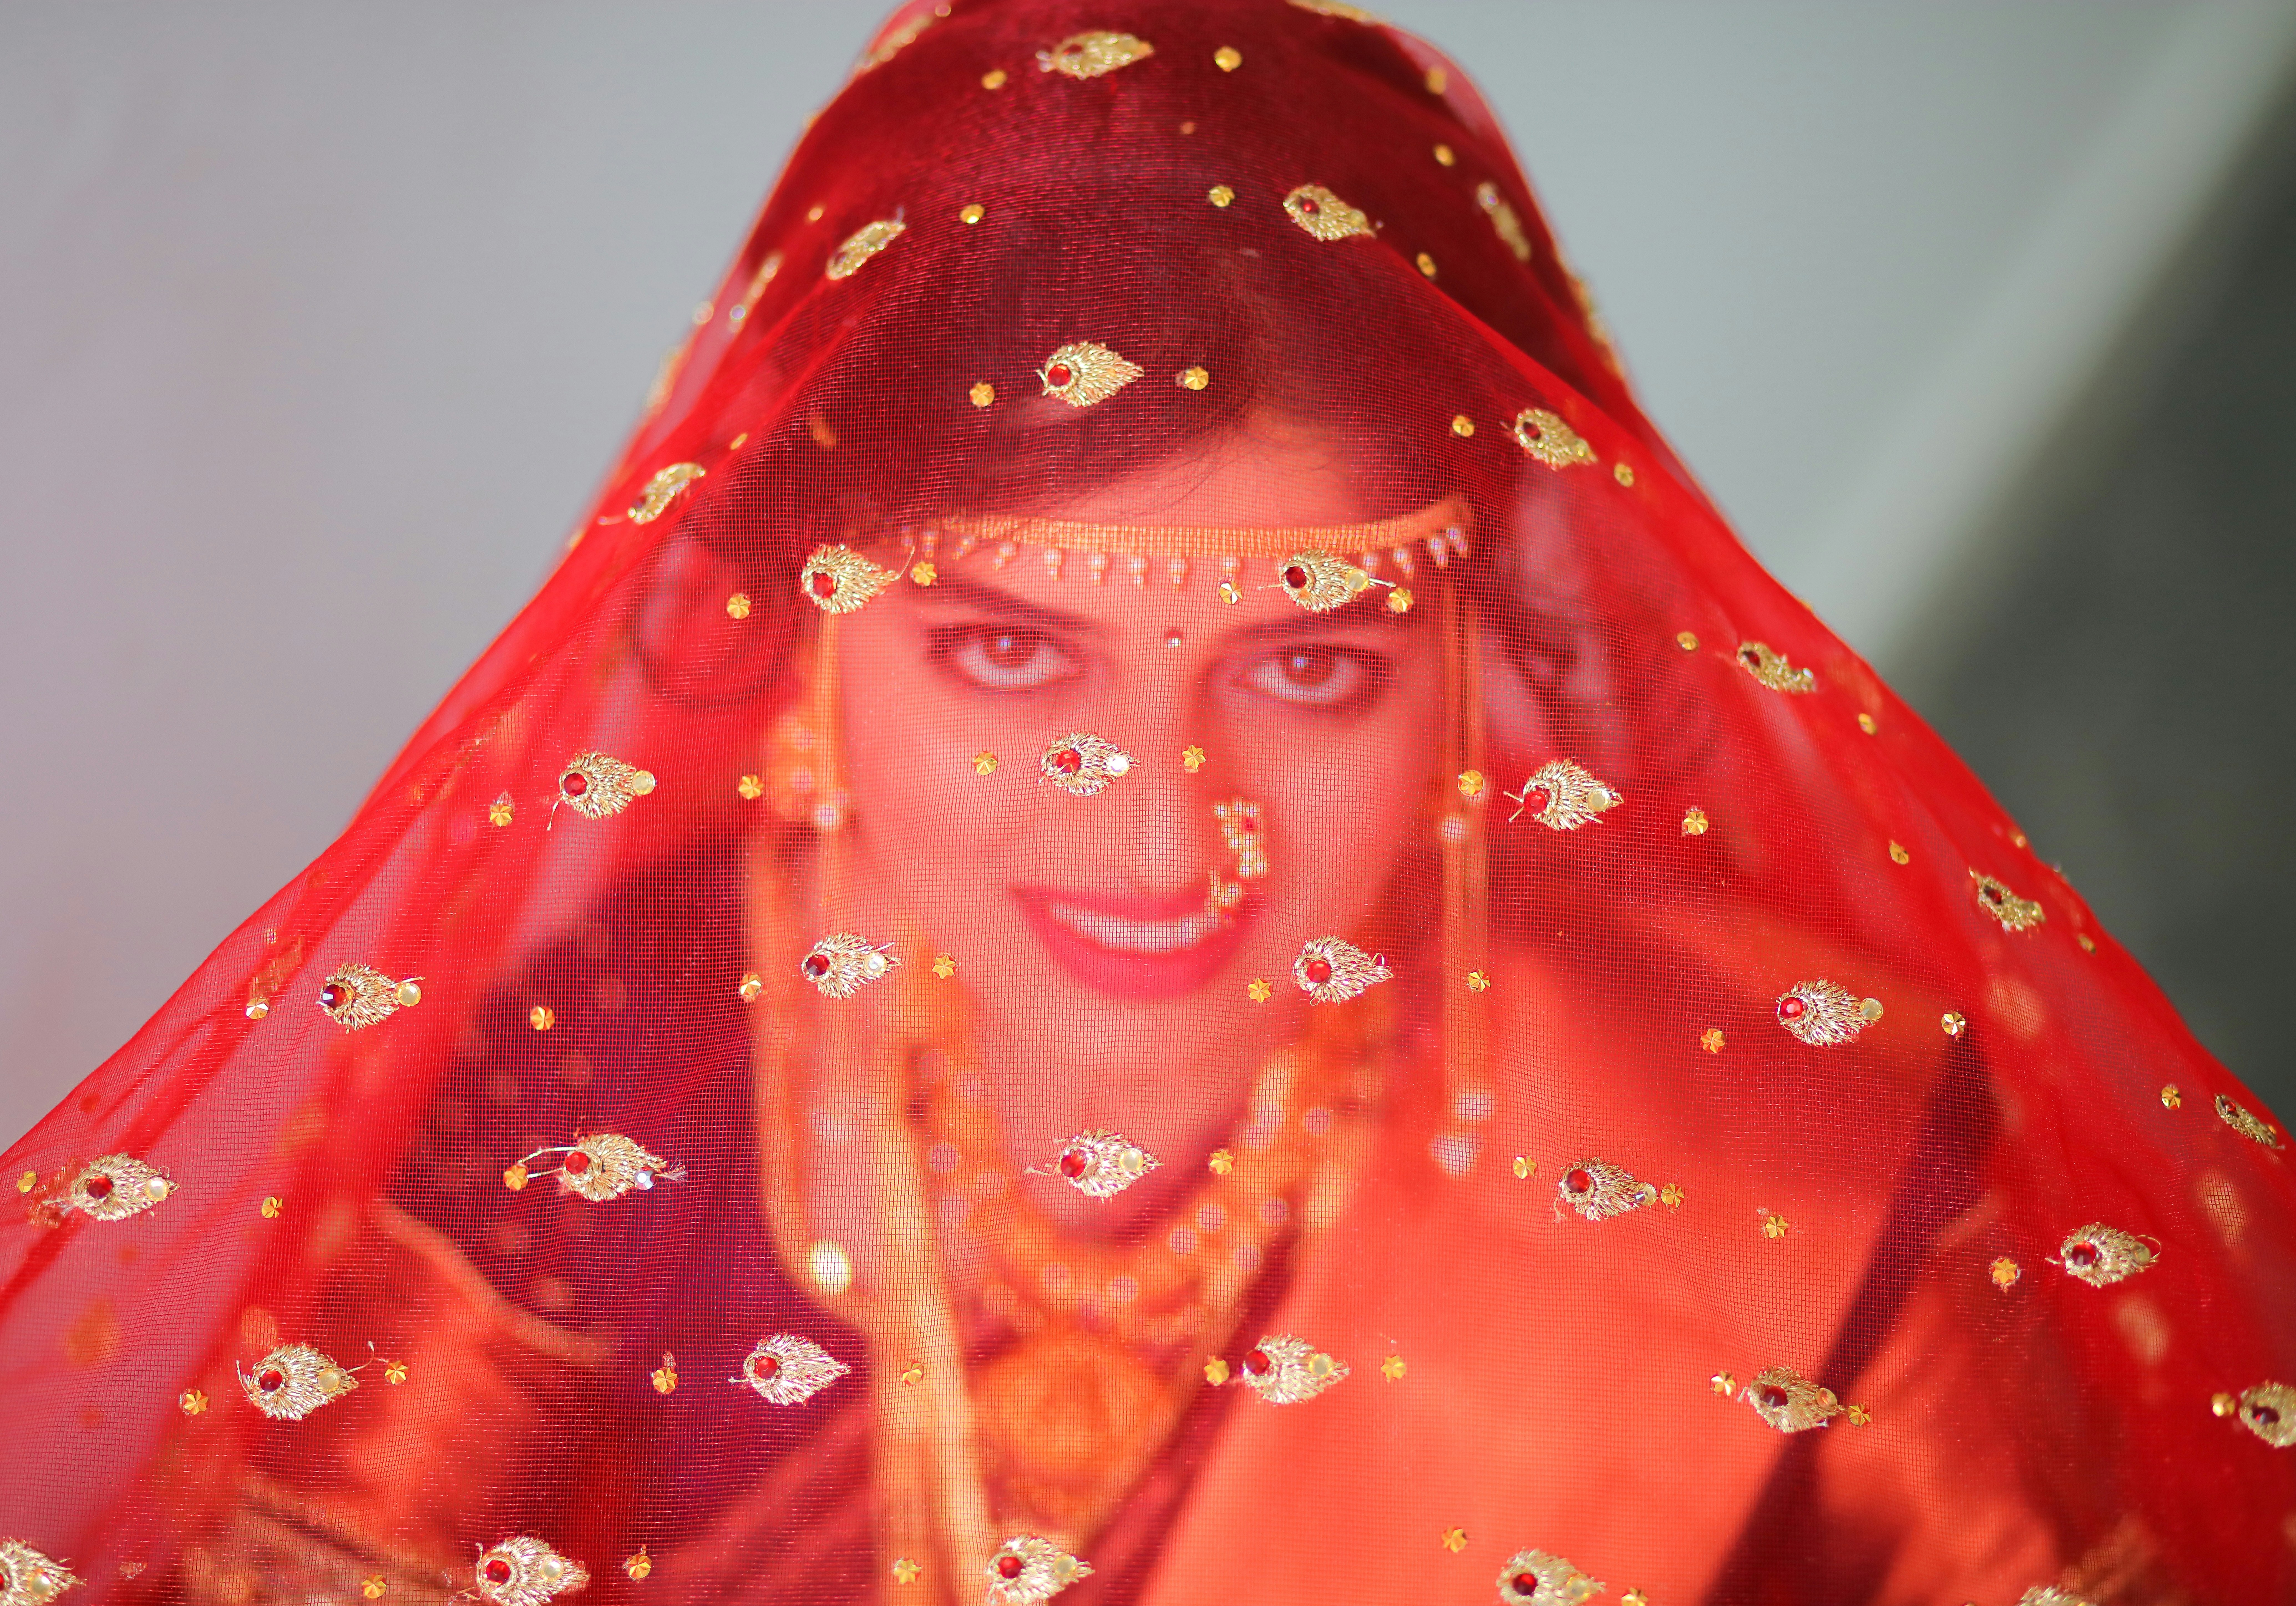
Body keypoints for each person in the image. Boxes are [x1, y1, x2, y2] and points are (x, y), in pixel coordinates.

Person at [3, 2, 2289, 1602]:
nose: (1163, 831)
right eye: (1011, 651)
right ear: (811, 639)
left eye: (1309, 664)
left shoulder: (1792, 1174)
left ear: (1472, 650)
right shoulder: (623, 1089)